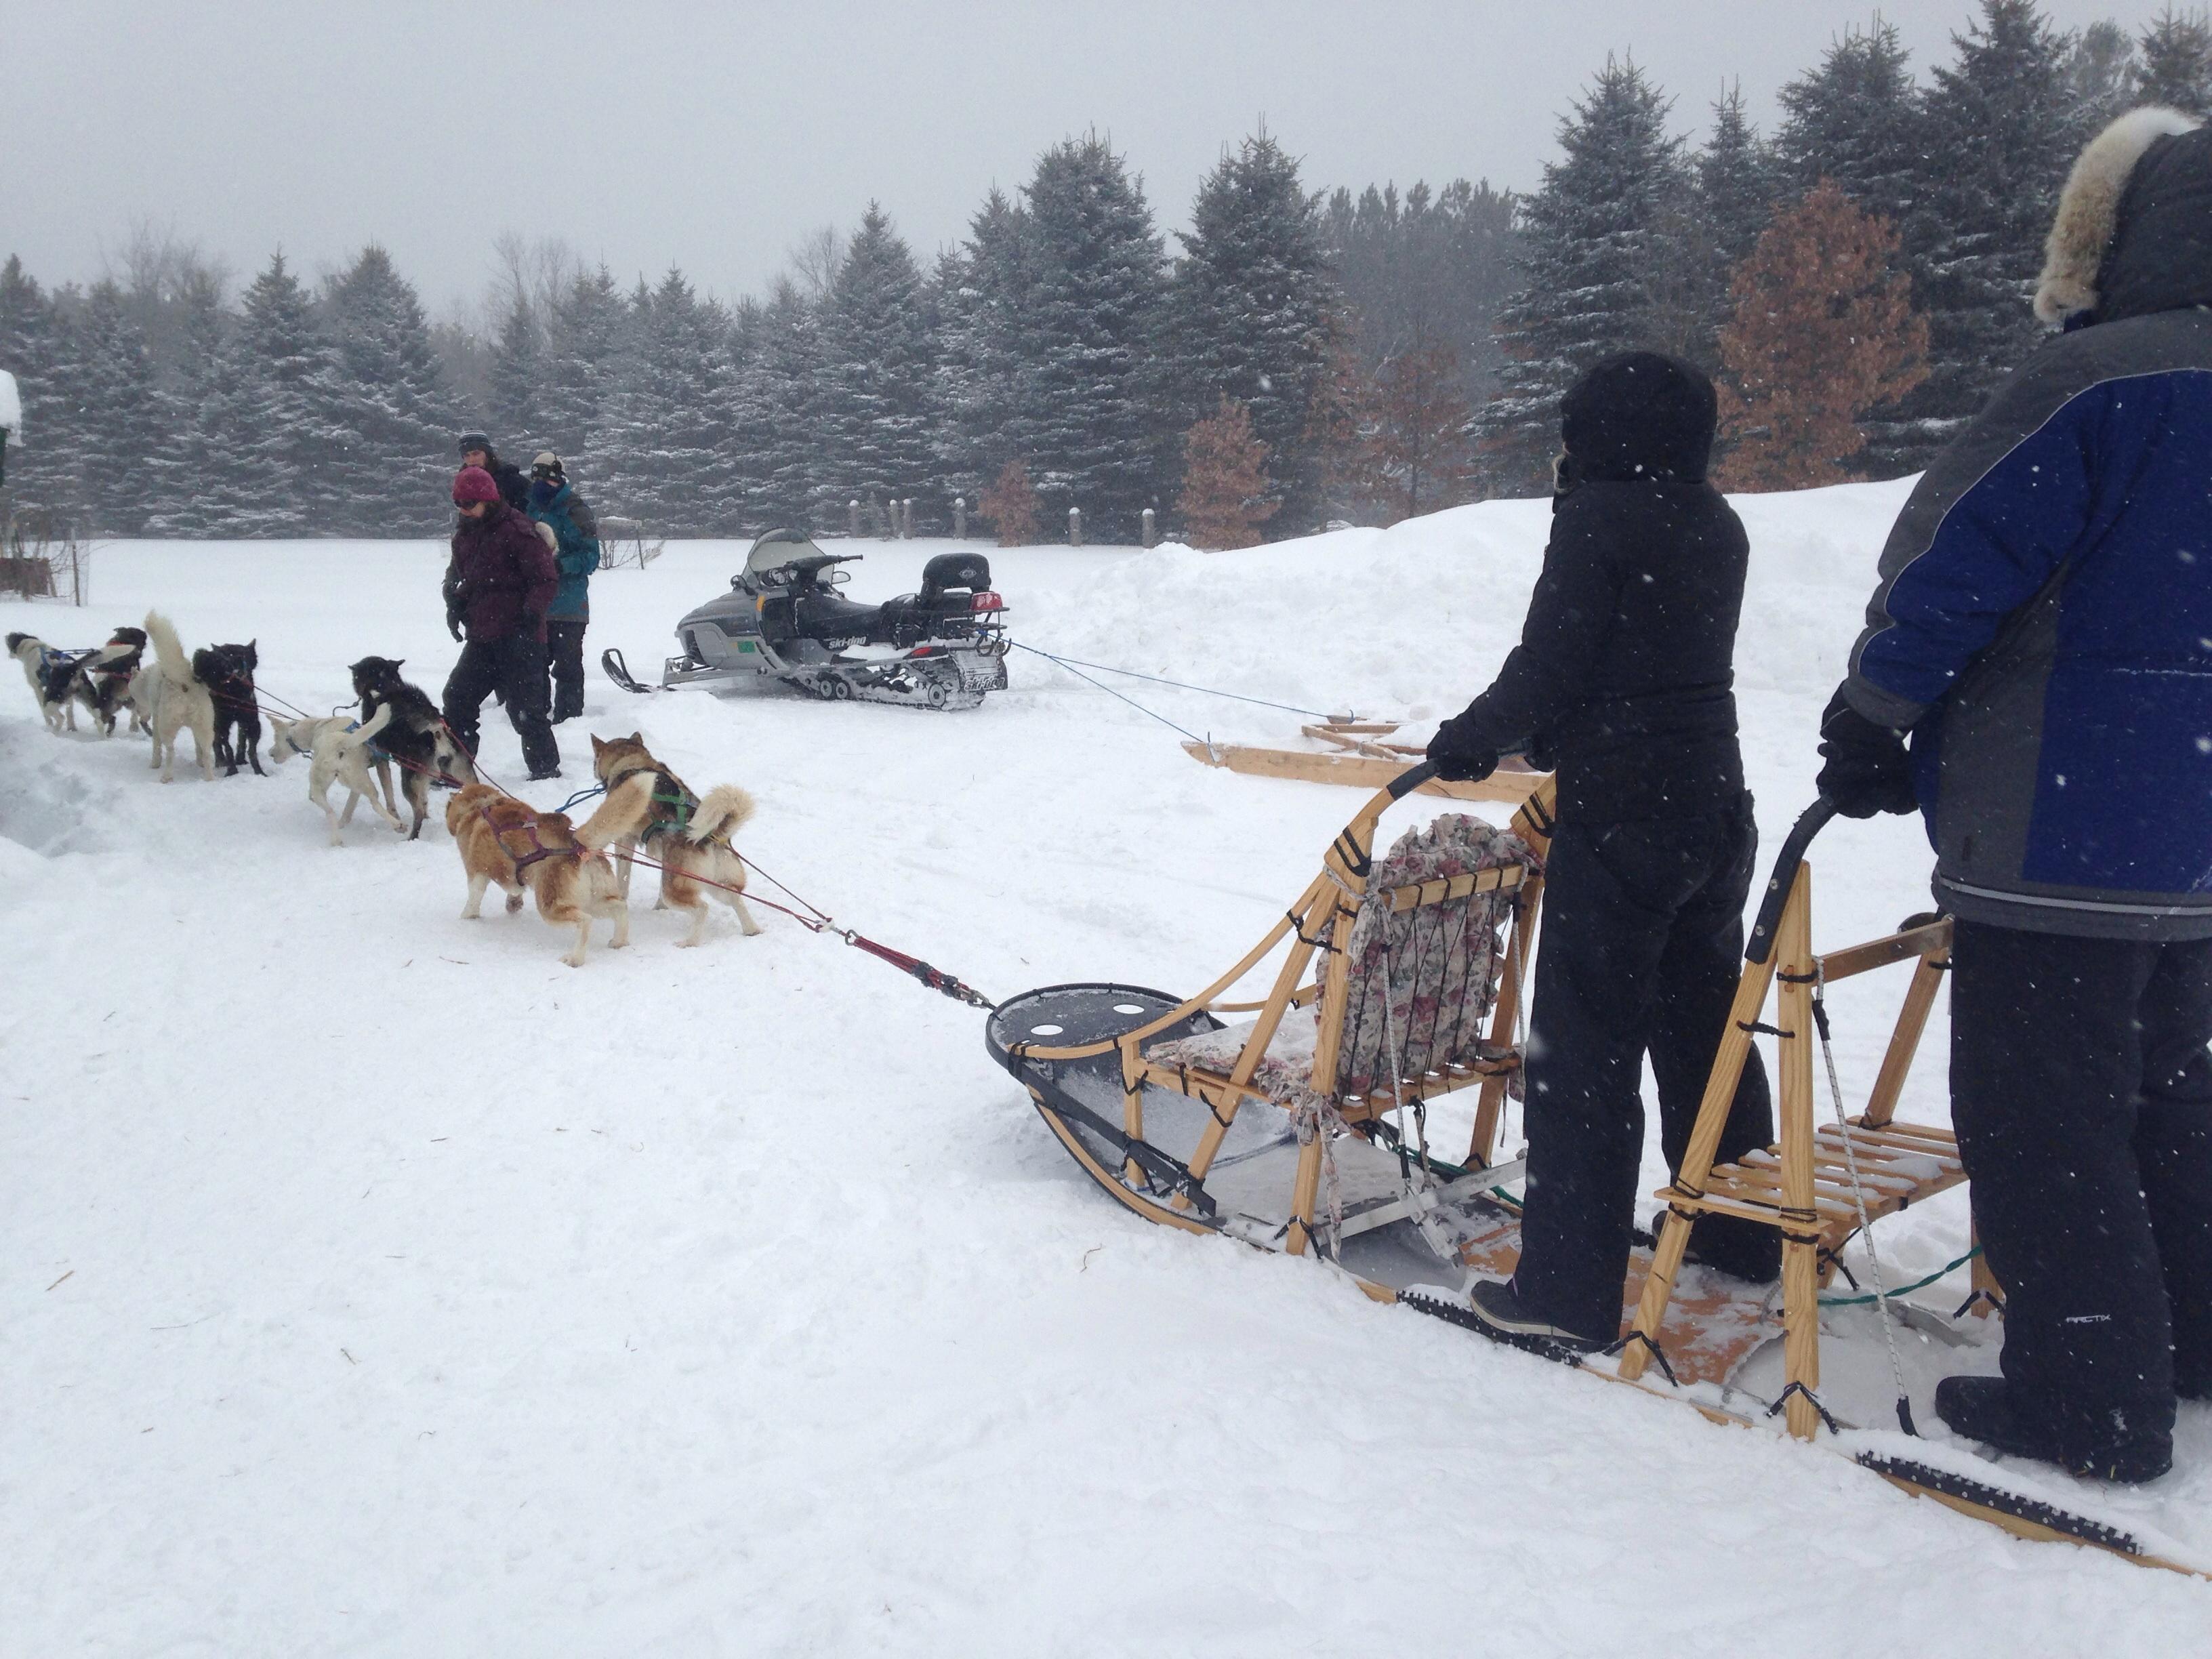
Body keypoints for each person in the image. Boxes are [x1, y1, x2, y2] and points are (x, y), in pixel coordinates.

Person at [1818, 108, 2212, 1483]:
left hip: (2060, 823)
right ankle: (2187, 1339)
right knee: (2169, 1099)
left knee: (2042, 1117)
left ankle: (2087, 1398)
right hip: (2195, 846)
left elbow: (1953, 561)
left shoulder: (2093, 382)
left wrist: (1873, 713)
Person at [1427, 351, 1779, 1351]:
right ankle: (1738, 1233)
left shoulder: (1598, 518)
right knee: (1702, 1026)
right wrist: (1548, 733)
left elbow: (1552, 664)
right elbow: (1641, 663)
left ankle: (1567, 1291)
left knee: (1583, 1054)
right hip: (1712, 808)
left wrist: (1470, 737)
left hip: (1625, 820)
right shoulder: (1716, 520)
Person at [442, 464, 562, 781]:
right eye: (458, 503)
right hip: (482, 636)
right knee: (457, 698)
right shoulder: (464, 537)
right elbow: (470, 580)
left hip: (520, 637)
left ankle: (545, 771)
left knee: (526, 711)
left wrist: (531, 613)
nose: (463, 510)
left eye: (469, 503)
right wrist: (456, 605)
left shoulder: (519, 531)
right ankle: (457, 770)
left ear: (488, 499)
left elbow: (546, 580)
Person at [527, 452, 601, 724]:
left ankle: (569, 720)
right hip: (537, 603)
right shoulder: (530, 509)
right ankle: (535, 718)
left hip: (569, 604)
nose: (541, 485)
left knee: (568, 666)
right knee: (534, 666)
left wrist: (559, 566)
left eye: (546, 479)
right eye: (536, 479)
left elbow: (591, 557)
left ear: (559, 479)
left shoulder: (576, 511)